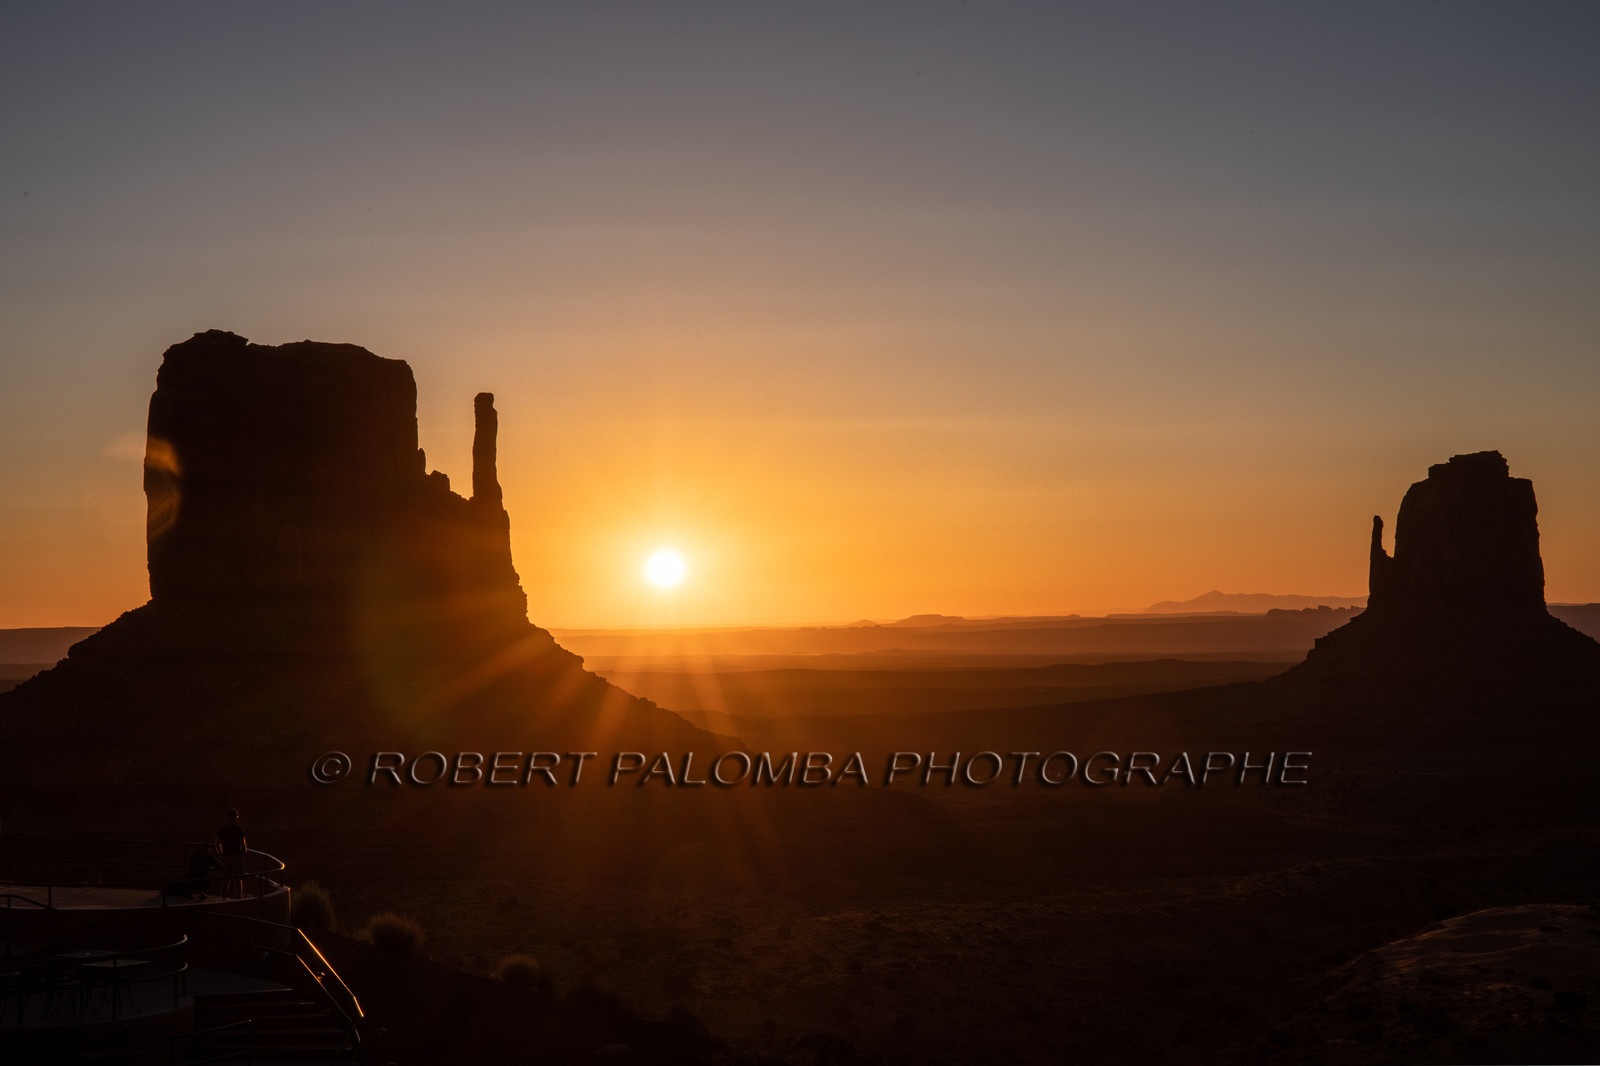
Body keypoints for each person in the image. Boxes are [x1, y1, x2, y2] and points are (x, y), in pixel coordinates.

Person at [216, 809, 248, 899]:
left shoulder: (222, 829)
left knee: (225, 879)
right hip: (237, 856)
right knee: (238, 879)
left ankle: (223, 898)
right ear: (236, 817)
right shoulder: (239, 829)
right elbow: (243, 844)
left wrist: (221, 854)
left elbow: (217, 843)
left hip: (226, 856)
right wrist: (243, 855)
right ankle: (239, 898)